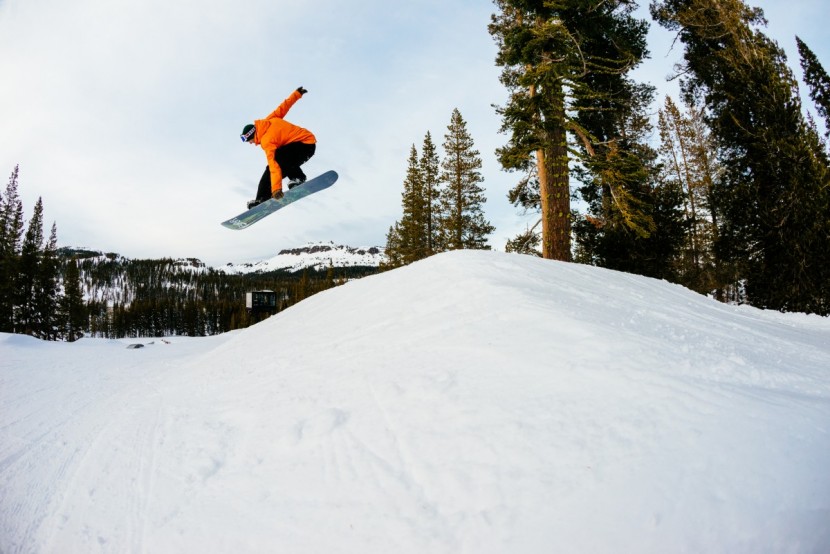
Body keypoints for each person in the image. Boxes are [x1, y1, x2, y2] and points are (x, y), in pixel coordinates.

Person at [241, 86, 317, 209]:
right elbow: (283, 107)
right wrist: (296, 94)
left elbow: (273, 165)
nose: (250, 143)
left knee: (276, 161)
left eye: (248, 140)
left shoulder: (266, 141)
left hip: (305, 145)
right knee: (276, 163)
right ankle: (261, 199)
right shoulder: (268, 121)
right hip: (299, 146)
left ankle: (298, 178)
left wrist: (276, 188)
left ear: (251, 135)